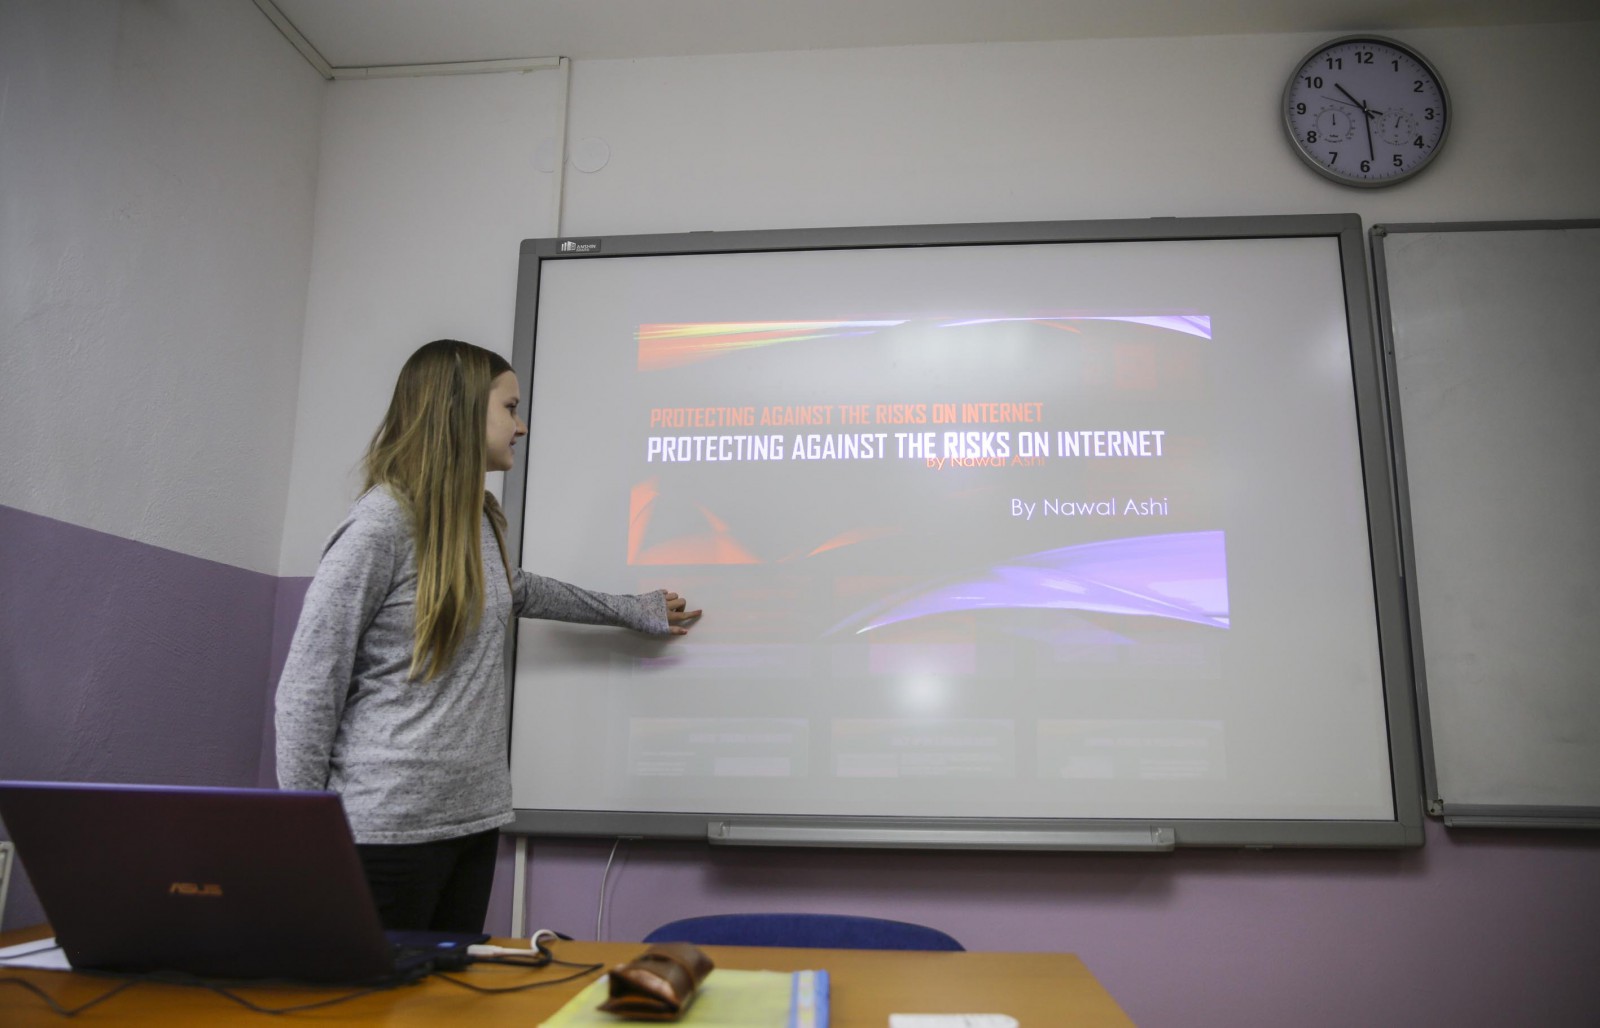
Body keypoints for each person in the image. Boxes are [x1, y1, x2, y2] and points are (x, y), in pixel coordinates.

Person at [275, 339, 699, 933]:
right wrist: (302, 832)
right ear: (460, 411)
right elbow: (308, 685)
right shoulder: (382, 524)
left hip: (472, 821)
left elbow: (516, 588)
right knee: (373, 991)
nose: (521, 426)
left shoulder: (476, 518)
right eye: (510, 408)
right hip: (383, 830)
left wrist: (633, 609)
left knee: (451, 987)